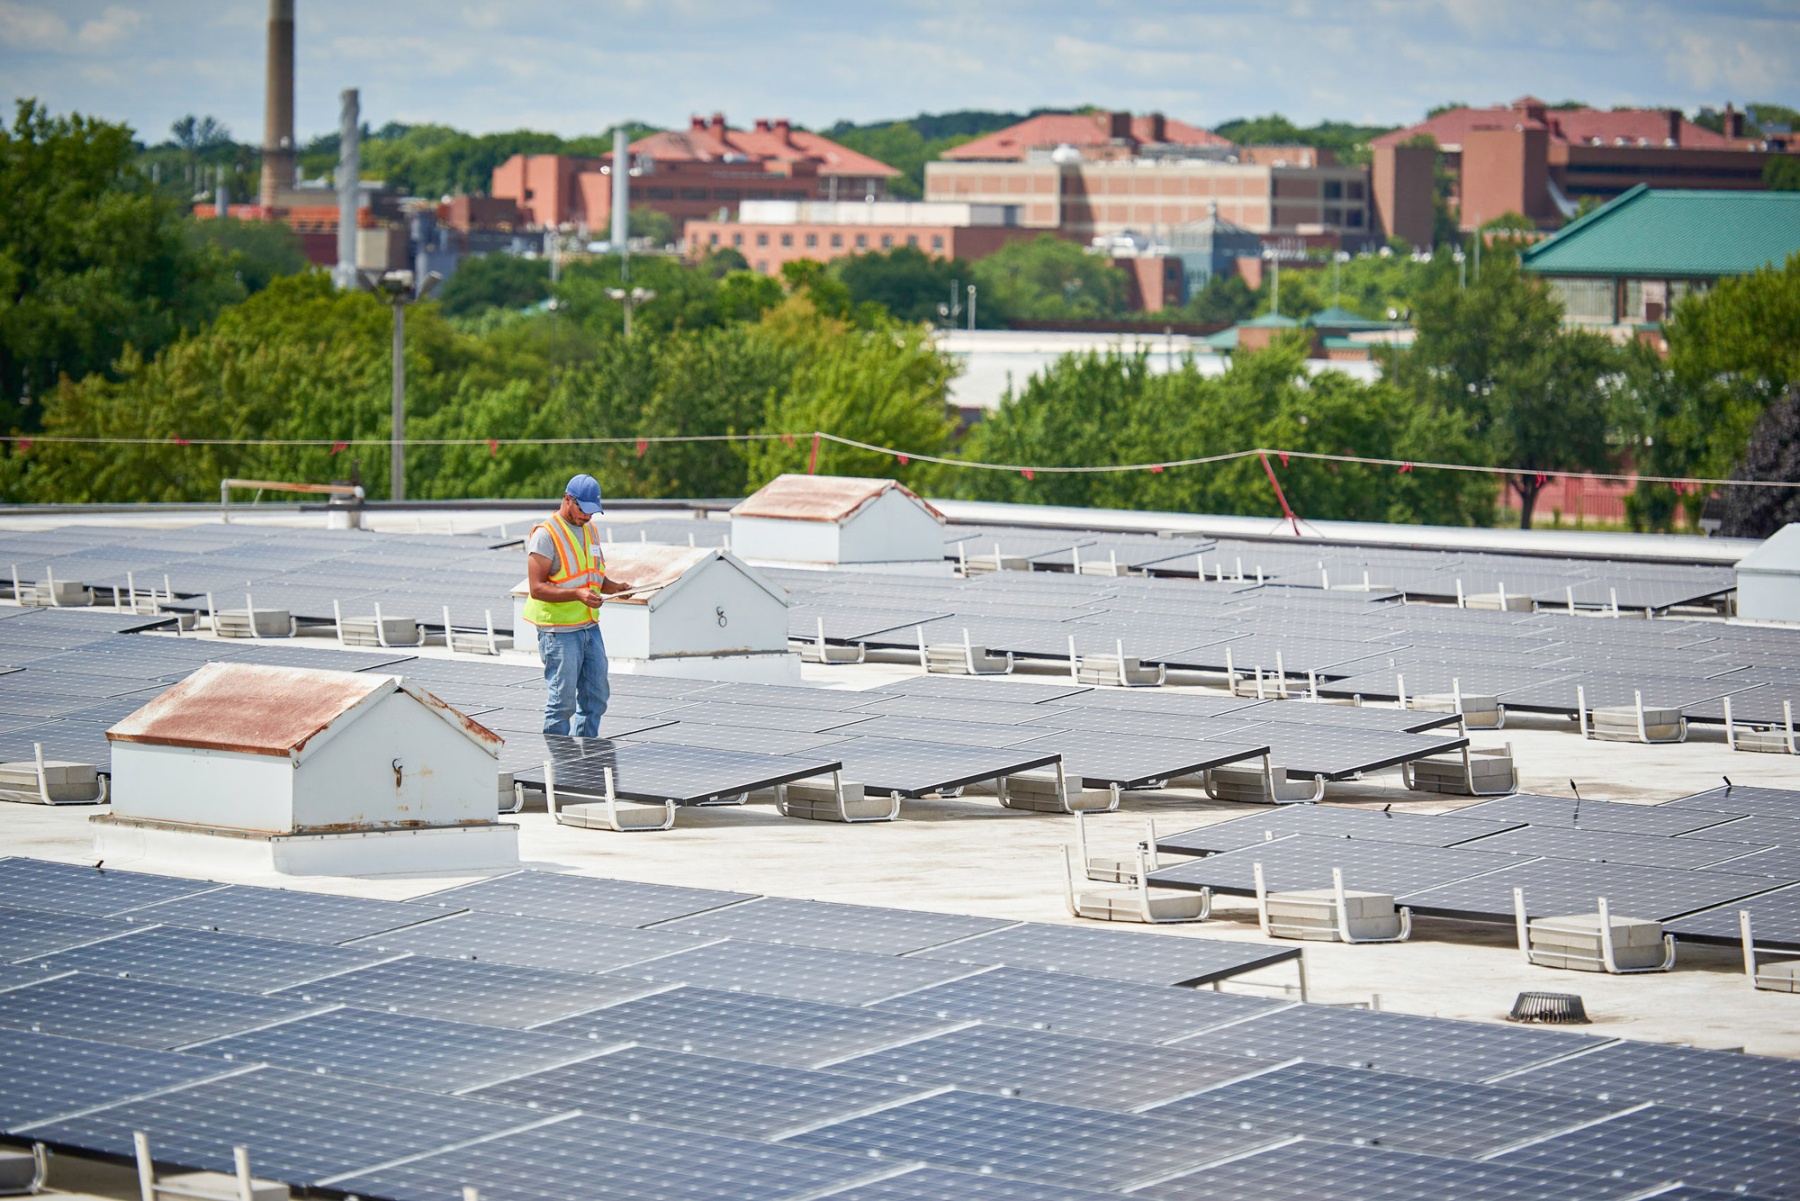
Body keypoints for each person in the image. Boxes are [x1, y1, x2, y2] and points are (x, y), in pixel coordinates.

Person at [522, 474, 627, 736]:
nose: (588, 516)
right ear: (568, 499)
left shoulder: (590, 529)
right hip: (558, 632)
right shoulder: (546, 535)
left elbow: (592, 575)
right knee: (562, 703)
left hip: (589, 627)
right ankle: (558, 765)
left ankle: (584, 756)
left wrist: (614, 588)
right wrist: (578, 595)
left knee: (597, 697)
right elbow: (536, 588)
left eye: (593, 511)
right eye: (583, 510)